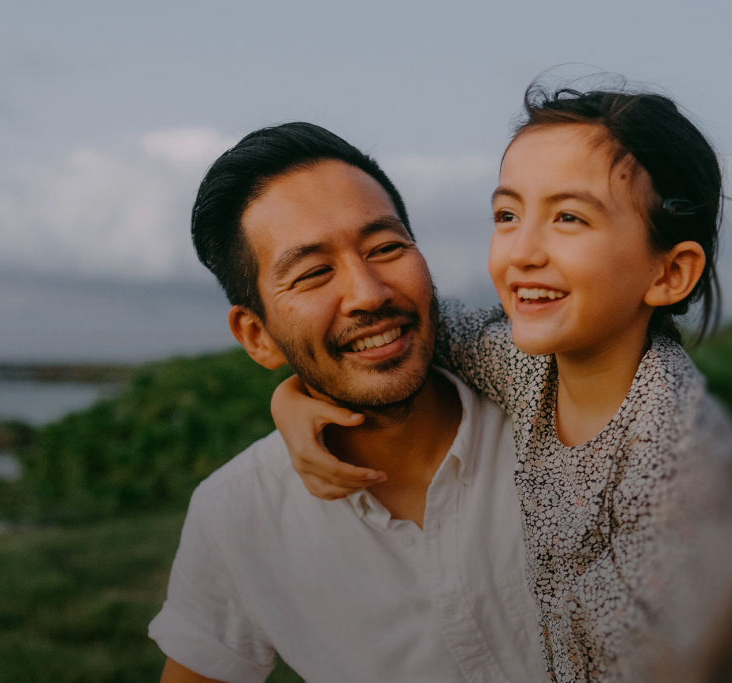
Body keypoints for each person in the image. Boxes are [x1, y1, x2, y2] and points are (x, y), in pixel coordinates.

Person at [270, 83, 732, 681]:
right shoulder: (528, 366)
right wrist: (291, 396)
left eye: (569, 218)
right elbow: (406, 335)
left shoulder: (673, 463)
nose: (522, 252)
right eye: (507, 216)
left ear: (670, 272)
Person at [149, 122, 547, 682]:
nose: (368, 293)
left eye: (386, 248)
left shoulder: (565, 417)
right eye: (313, 273)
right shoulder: (238, 515)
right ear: (257, 336)